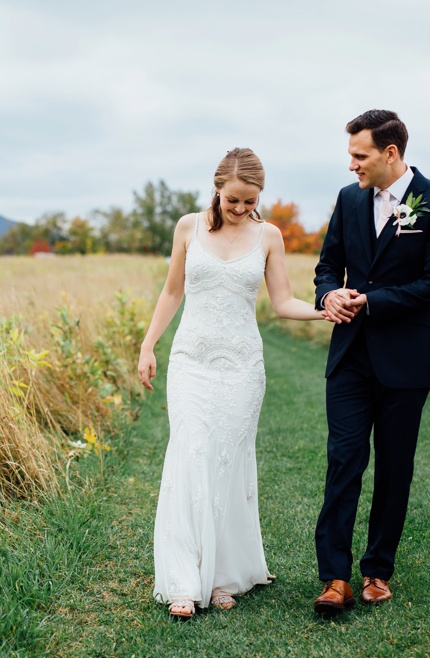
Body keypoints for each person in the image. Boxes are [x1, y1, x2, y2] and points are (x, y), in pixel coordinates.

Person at [137, 148, 327, 619]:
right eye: (234, 200)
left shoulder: (269, 236)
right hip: (190, 361)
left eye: (251, 201)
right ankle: (184, 578)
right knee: (190, 453)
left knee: (228, 462)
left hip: (242, 367)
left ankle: (223, 575)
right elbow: (172, 291)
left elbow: (283, 301)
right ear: (218, 187)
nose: (242, 209)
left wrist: (327, 310)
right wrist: (147, 346)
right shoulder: (188, 227)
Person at [311, 110, 430, 613]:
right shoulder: (348, 200)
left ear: (390, 153)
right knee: (344, 460)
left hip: (406, 359)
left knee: (395, 467)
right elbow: (328, 264)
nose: (351, 164)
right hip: (351, 355)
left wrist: (373, 302)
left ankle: (378, 570)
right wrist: (330, 294)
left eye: (360, 155)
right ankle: (334, 577)